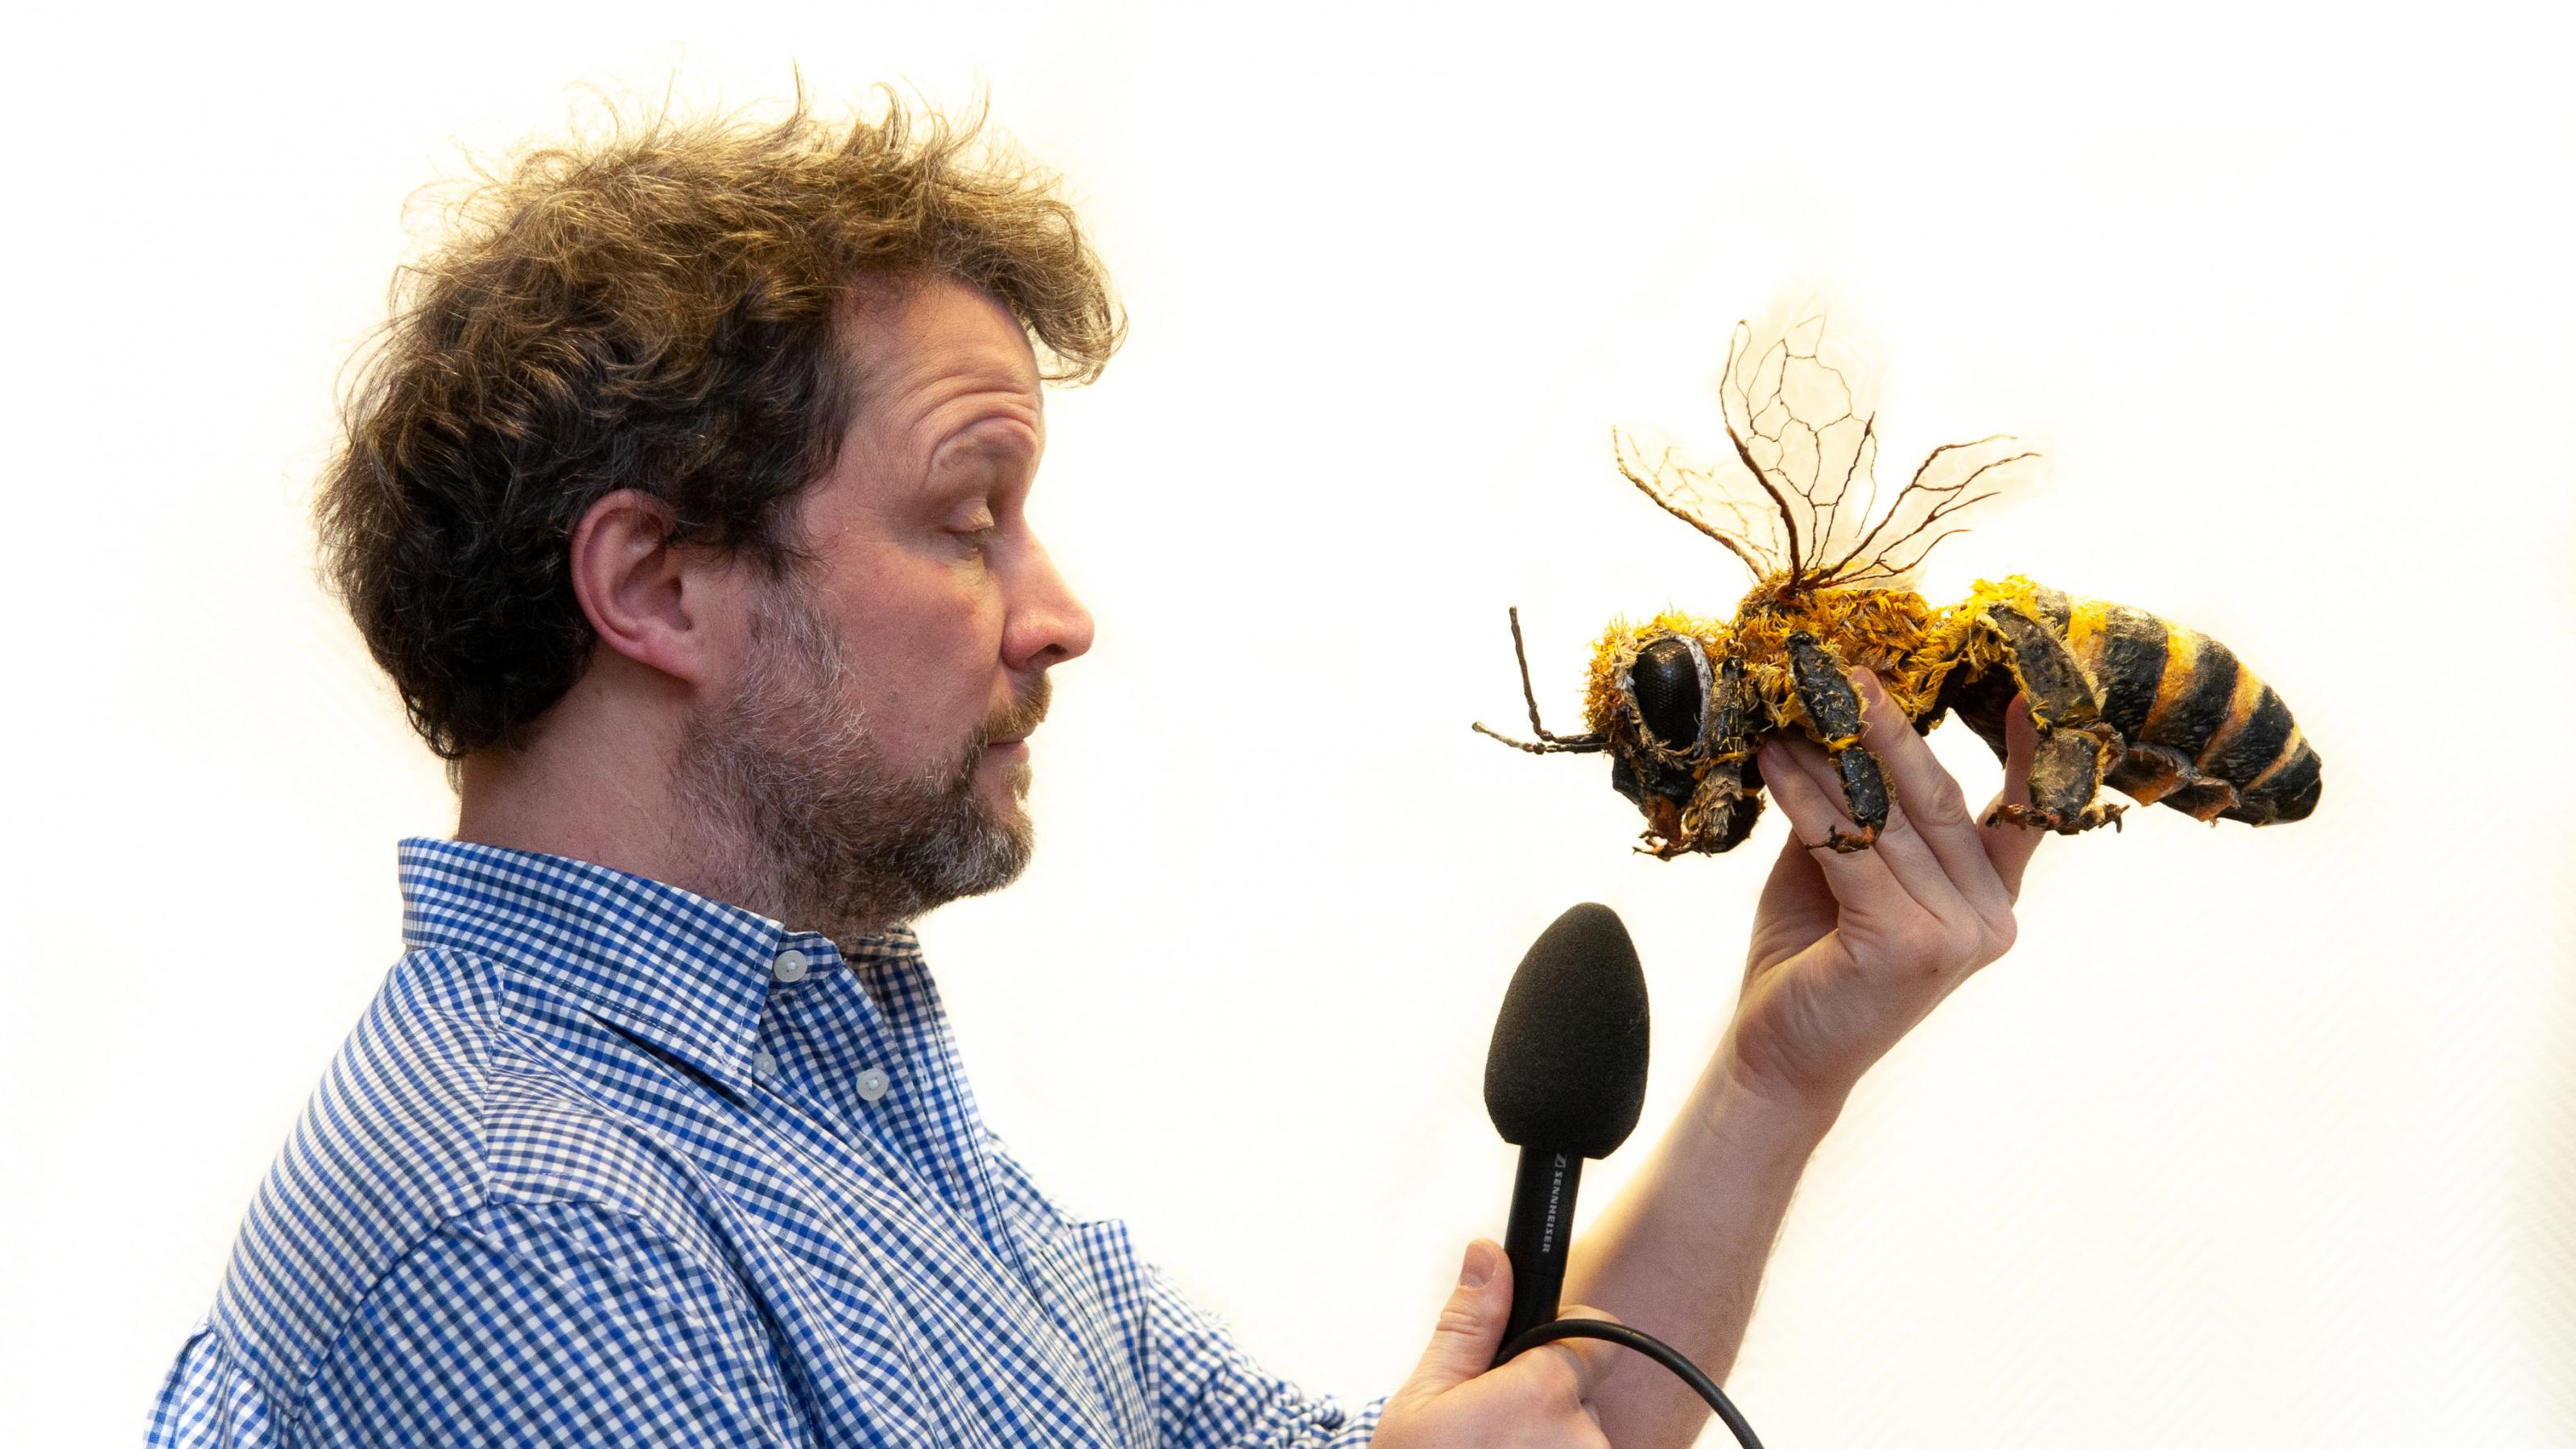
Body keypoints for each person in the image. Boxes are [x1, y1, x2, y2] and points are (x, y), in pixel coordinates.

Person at [147, 91, 2043, 1448]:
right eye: (968, 522)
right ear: (657, 585)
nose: (1056, 616)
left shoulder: (830, 1091)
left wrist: (1786, 1064)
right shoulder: (539, 1242)